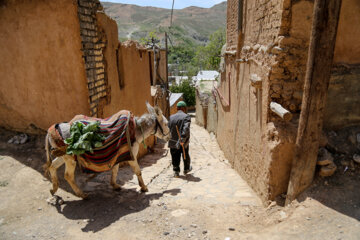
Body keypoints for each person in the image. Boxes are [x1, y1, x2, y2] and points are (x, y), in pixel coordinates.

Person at [168, 101, 192, 177]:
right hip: (183, 142)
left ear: (177, 108)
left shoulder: (171, 117)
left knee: (174, 156)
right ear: (183, 108)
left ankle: (176, 171)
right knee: (185, 155)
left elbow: (168, 129)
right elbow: (186, 129)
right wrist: (182, 139)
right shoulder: (186, 117)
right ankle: (186, 169)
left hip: (173, 141)